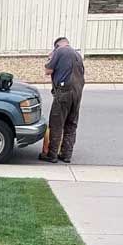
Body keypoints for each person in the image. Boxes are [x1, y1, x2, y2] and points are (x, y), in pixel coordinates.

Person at [41, 36, 85, 164]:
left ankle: (52, 154)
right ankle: (66, 154)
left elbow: (48, 71)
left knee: (56, 123)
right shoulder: (77, 54)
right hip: (77, 93)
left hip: (64, 92)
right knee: (71, 124)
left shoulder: (60, 51)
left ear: (56, 46)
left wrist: (50, 58)